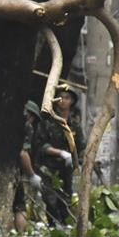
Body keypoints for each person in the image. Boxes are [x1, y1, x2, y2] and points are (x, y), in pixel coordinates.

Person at [36, 84, 83, 227]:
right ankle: (54, 226)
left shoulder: (74, 124)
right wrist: (61, 153)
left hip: (66, 168)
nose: (63, 100)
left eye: (67, 98)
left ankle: (65, 227)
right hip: (49, 167)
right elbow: (41, 145)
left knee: (66, 197)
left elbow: (81, 146)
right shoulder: (47, 122)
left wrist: (76, 161)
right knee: (50, 198)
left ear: (72, 101)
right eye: (61, 97)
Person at [12, 100, 43, 232]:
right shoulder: (27, 127)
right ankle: (21, 234)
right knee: (20, 204)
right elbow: (23, 153)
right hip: (13, 170)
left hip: (10, 168)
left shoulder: (11, 125)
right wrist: (32, 175)